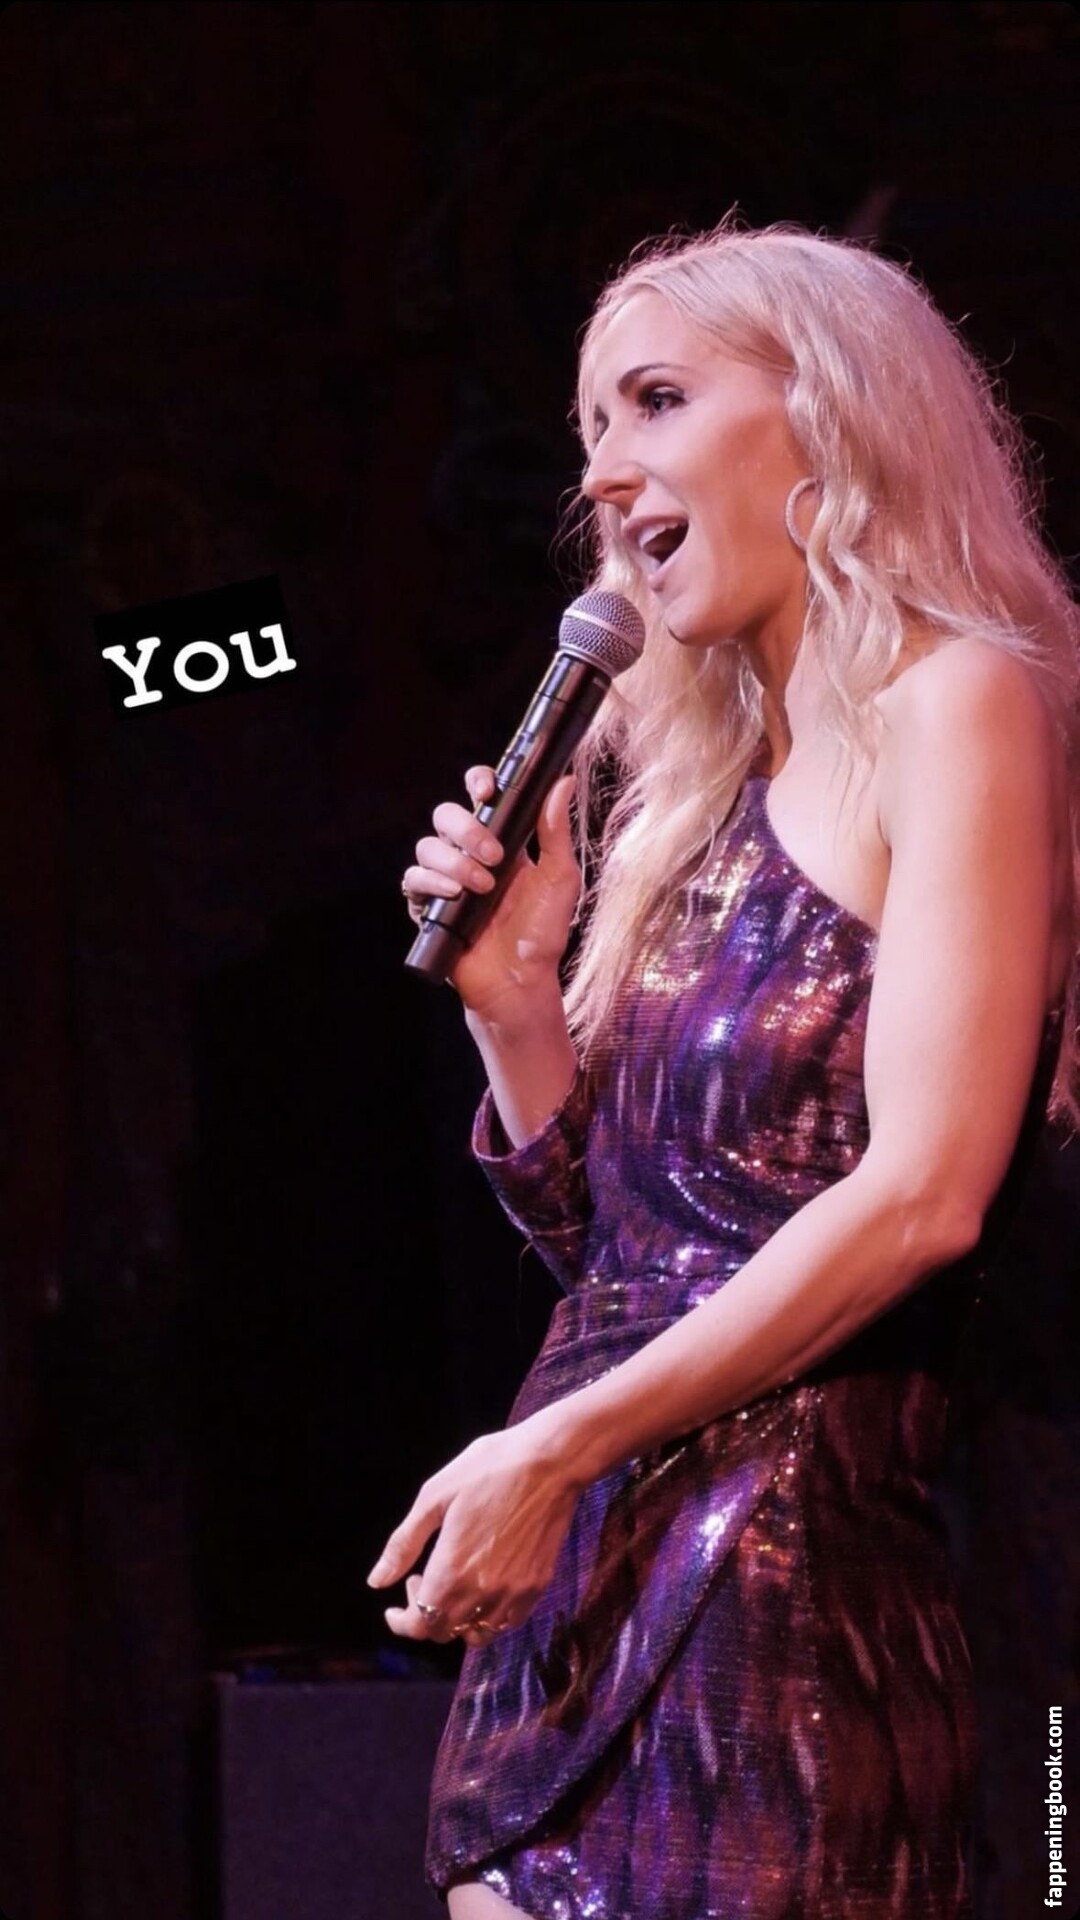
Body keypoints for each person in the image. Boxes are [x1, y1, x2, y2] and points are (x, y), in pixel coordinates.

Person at [368, 218, 1079, 1920]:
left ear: (829, 412)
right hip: (577, 1585)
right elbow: (626, 1259)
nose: (602, 475)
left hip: (784, 1611)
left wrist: (554, 1453)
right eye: (590, 430)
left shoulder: (959, 704)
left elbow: (923, 1200)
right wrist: (515, 1005)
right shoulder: (698, 807)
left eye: (656, 402)